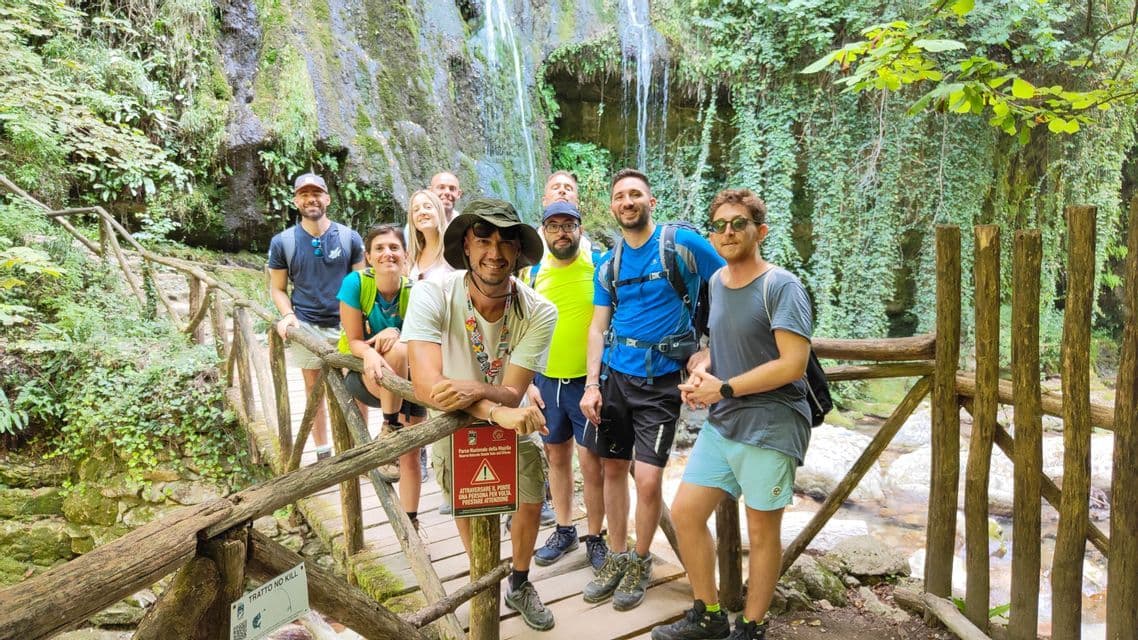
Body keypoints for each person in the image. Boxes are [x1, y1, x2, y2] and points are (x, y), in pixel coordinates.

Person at [651, 189, 813, 640]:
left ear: (760, 231)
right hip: (725, 423)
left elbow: (792, 363)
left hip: (772, 422)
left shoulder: (781, 286)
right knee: (685, 512)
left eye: (738, 223)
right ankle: (709, 615)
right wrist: (703, 367)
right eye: (720, 224)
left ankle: (752, 626)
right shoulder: (717, 282)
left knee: (761, 532)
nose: (728, 231)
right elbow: (717, 346)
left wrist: (721, 389)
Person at [402, 198, 558, 631]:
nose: (495, 252)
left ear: (519, 251)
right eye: (484, 240)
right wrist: (493, 408)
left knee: (530, 495)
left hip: (513, 415)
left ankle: (521, 581)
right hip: (452, 419)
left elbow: (514, 389)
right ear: (466, 247)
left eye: (506, 241)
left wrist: (478, 392)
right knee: (466, 504)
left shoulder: (539, 310)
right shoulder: (433, 293)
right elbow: (425, 386)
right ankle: (482, 577)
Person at [580, 168, 724, 611]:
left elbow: (731, 287)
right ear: (612, 207)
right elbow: (598, 326)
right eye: (621, 196)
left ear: (651, 201)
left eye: (636, 195)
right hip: (614, 379)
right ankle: (618, 556)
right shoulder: (610, 262)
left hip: (661, 383)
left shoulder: (683, 244)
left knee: (647, 478)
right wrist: (591, 385)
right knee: (610, 469)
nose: (628, 201)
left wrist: (711, 352)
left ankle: (641, 560)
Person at [526, 197, 607, 572]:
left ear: (580, 230)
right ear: (544, 232)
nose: (562, 232)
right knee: (556, 457)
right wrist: (527, 382)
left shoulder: (598, 267)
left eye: (569, 225)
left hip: (586, 383)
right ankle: (564, 528)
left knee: (591, 463)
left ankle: (596, 535)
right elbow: (520, 331)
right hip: (545, 381)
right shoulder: (531, 274)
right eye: (555, 226)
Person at [337, 224, 427, 537]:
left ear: (405, 256)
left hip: (408, 379)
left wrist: (396, 336)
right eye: (380, 248)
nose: (387, 253)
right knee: (394, 347)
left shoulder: (413, 291)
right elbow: (353, 339)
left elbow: (422, 341)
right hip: (367, 375)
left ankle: (410, 523)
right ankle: (389, 425)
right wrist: (374, 350)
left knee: (411, 453)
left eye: (394, 247)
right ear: (369, 257)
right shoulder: (355, 283)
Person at [268, 173, 364, 460]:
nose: (311, 198)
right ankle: (324, 452)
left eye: (317, 193)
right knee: (314, 391)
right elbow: (277, 288)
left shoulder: (349, 238)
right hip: (307, 325)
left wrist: (363, 321)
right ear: (296, 201)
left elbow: (361, 284)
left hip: (347, 326)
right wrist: (287, 315)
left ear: (327, 199)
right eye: (305, 194)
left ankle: (362, 449)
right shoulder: (283, 242)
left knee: (357, 388)